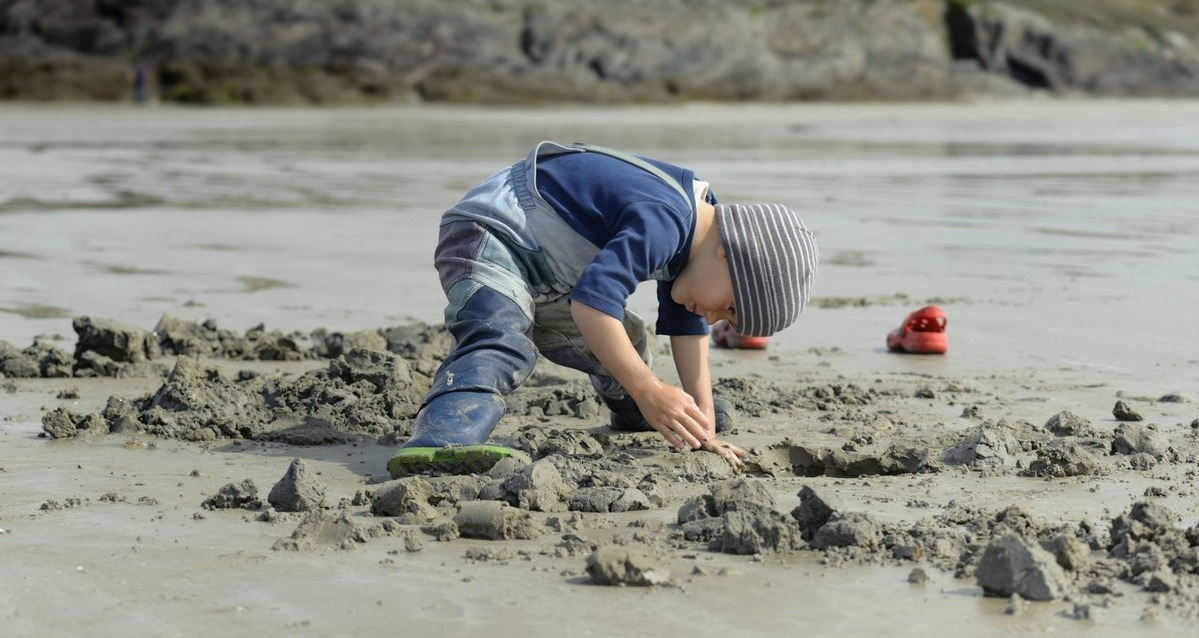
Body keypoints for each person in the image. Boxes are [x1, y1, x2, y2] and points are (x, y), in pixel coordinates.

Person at [387, 141, 818, 478]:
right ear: (728, 254)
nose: (713, 318)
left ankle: (641, 412)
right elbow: (592, 306)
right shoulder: (664, 219)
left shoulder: (699, 237)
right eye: (728, 308)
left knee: (625, 340)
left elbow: (687, 328)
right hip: (492, 236)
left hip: (551, 272)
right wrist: (650, 388)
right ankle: (442, 437)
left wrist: (703, 422)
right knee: (501, 339)